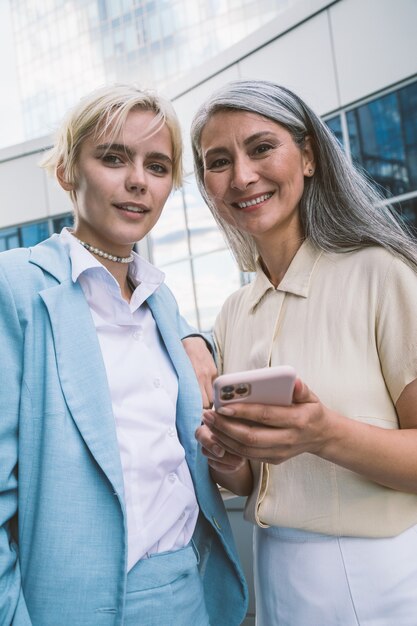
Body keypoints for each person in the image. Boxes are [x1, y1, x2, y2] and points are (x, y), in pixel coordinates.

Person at [0, 83, 248, 626]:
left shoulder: (161, 300)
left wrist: (196, 338)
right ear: (68, 170)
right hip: (72, 606)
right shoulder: (15, 287)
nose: (138, 180)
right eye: (114, 158)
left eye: (157, 166)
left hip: (190, 592)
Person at [191, 79, 417, 625]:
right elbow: (254, 481)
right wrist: (229, 460)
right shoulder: (234, 311)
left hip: (379, 576)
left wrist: (323, 433)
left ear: (309, 157)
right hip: (274, 570)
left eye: (262, 147)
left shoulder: (382, 274)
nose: (242, 175)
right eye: (218, 161)